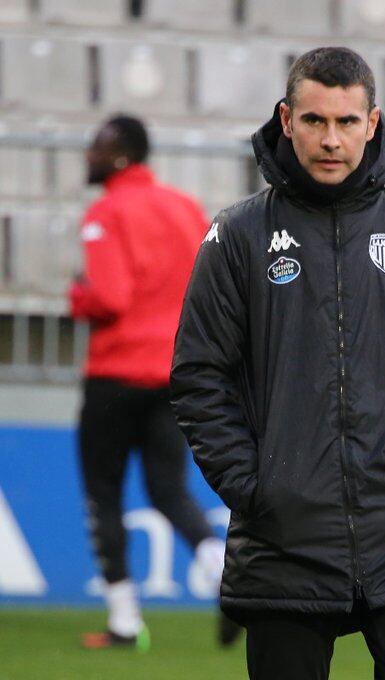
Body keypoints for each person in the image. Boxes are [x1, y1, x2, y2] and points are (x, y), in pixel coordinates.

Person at [171, 47, 385, 680]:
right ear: (287, 120)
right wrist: (255, 489)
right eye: (316, 121)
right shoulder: (237, 236)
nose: (331, 140)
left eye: (347, 122)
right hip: (283, 541)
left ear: (372, 123)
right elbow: (199, 375)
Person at [69, 114, 238, 650]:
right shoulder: (185, 207)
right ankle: (225, 576)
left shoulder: (105, 212)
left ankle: (124, 622)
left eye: (97, 146)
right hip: (174, 374)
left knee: (104, 494)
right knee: (169, 490)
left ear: (120, 154)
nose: (88, 155)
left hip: (116, 374)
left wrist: (78, 297)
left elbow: (111, 297)